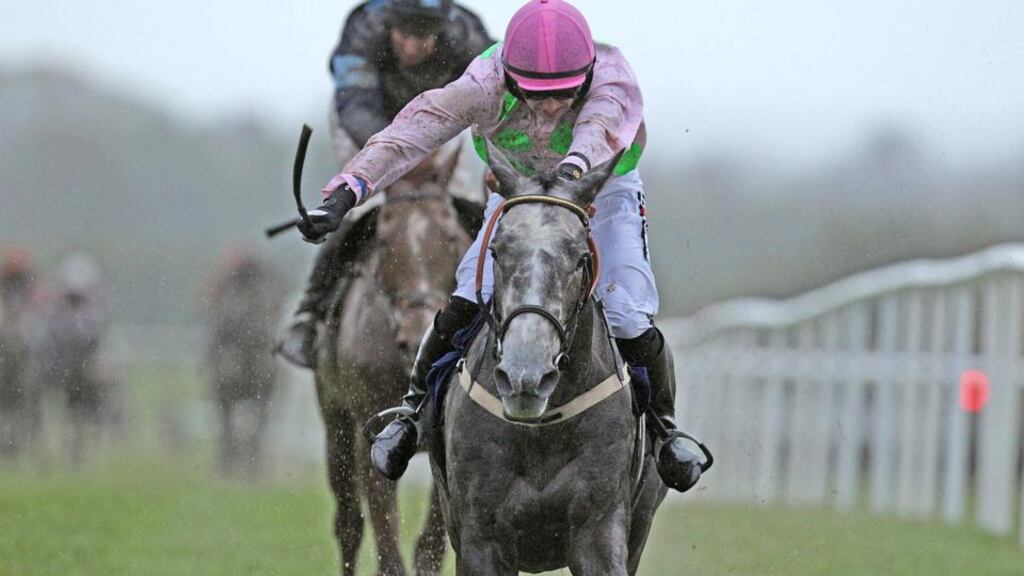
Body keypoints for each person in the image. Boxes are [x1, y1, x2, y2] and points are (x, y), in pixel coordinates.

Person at [299, 0, 703, 493]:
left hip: (600, 186)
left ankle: (665, 430)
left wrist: (568, 179)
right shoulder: (482, 83)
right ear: (510, 77)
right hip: (521, 185)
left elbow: (596, 134)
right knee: (469, 294)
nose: (552, 108)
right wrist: (346, 193)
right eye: (537, 96)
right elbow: (410, 133)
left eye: (564, 95)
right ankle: (412, 413)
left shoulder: (613, 75)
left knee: (624, 311)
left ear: (588, 73)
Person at [276, 0, 493, 369]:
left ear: (441, 31)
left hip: (441, 124)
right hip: (368, 124)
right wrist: (398, 161)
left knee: (463, 205)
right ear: (388, 25)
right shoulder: (364, 27)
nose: (411, 48)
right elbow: (355, 106)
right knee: (358, 208)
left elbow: (497, 98)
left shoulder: (467, 36)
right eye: (403, 35)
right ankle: (309, 315)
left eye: (423, 38)